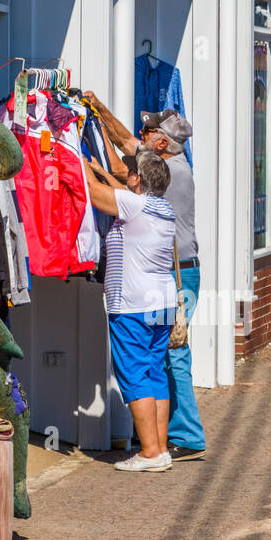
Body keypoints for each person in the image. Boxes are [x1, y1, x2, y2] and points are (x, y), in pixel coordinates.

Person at [82, 95, 205, 458]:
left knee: (172, 357)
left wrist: (79, 158)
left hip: (176, 275)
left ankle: (184, 437)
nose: (141, 134)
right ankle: (159, 440)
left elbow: (119, 183)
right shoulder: (163, 168)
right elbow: (123, 150)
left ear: (162, 143)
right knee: (158, 362)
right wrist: (97, 111)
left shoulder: (175, 174)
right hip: (165, 281)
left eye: (148, 131)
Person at [84, 149, 176, 473]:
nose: (125, 175)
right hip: (163, 303)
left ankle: (150, 452)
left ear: (137, 179)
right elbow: (121, 194)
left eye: (129, 172)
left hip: (133, 304)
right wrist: (102, 170)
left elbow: (96, 194)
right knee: (154, 372)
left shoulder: (135, 206)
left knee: (134, 374)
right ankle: (160, 448)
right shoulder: (162, 207)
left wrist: (74, 155)